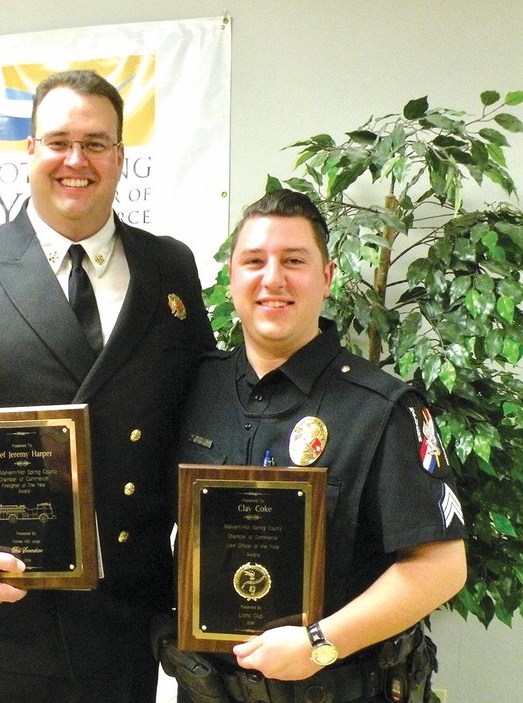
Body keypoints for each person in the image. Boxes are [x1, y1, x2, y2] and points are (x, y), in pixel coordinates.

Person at [0, 69, 215, 703]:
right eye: (58, 141)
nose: (75, 160)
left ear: (120, 156)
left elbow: (200, 416)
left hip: (121, 626)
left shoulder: (170, 267)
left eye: (96, 143)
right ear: (29, 151)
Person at [165, 189, 467, 703]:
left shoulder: (381, 407)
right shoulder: (191, 388)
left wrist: (320, 644)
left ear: (327, 277)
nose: (272, 279)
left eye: (294, 261)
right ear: (232, 278)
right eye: (254, 261)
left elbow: (441, 567)